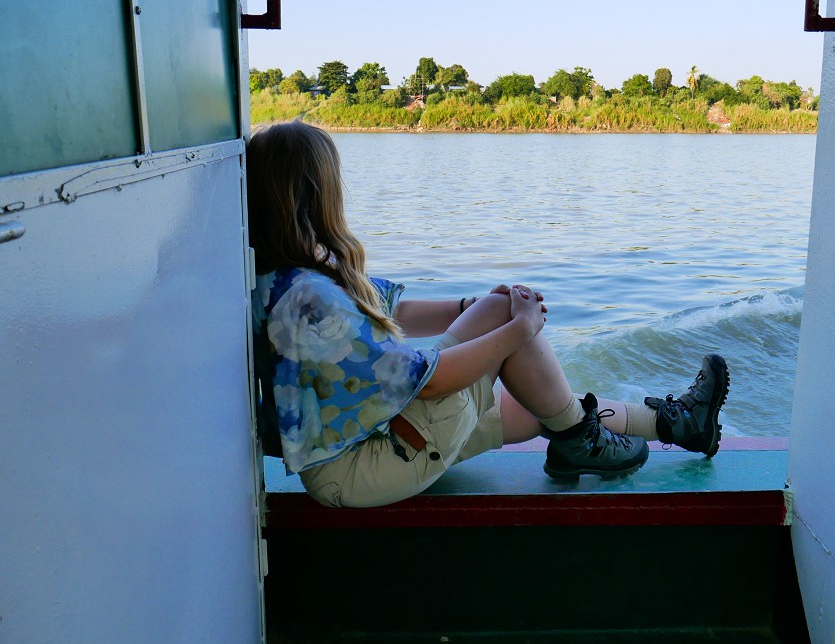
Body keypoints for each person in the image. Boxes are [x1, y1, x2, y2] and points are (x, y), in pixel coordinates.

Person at [246, 120, 729, 508]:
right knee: (513, 334)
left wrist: (469, 306)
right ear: (319, 191)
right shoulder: (309, 297)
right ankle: (583, 439)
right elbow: (429, 382)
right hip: (366, 467)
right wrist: (515, 327)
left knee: (545, 405)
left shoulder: (288, 276)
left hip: (366, 448)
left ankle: (676, 425)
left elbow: (396, 310)